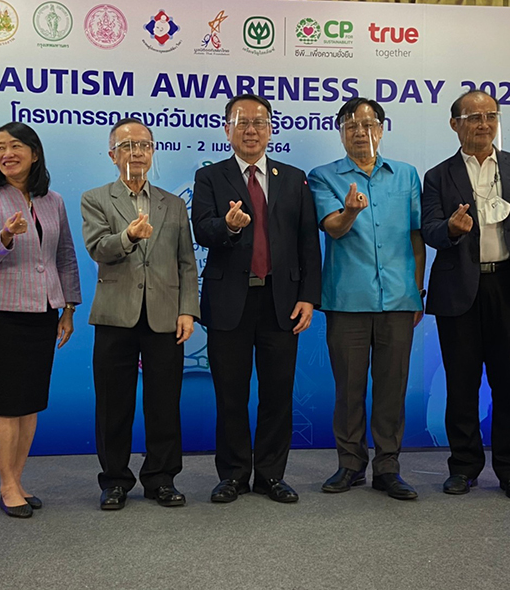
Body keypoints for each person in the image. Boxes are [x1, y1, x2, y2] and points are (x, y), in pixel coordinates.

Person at [421, 90, 510, 501]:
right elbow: (428, 230)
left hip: (508, 287)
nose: (484, 124)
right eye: (473, 117)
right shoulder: (438, 176)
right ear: (454, 124)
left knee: (509, 383)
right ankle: (463, 467)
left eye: (490, 116)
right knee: (461, 385)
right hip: (458, 291)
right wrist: (451, 229)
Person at [192, 94, 321, 504]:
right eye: (242, 122)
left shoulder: (293, 177)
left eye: (259, 122)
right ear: (227, 128)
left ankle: (270, 474)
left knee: (277, 393)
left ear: (270, 129)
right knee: (230, 393)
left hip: (280, 302)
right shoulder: (210, 176)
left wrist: (309, 297)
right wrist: (227, 227)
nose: (251, 130)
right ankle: (232, 474)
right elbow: (201, 230)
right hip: (230, 299)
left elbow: (307, 242)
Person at [308, 97, 425, 501]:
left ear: (382, 128)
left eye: (369, 124)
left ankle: (388, 467)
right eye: (351, 125)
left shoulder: (407, 175)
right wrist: (352, 211)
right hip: (347, 300)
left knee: (393, 387)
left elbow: (416, 236)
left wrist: (417, 291)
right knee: (349, 387)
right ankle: (350, 464)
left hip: (399, 299)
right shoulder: (322, 176)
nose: (361, 131)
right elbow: (333, 229)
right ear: (340, 132)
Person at [81, 118, 199, 510]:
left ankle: (161, 478)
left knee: (164, 403)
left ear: (152, 152)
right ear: (112, 155)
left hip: (166, 316)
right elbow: (98, 248)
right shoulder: (96, 199)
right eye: (127, 146)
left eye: (143, 145)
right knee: (114, 404)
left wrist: (188, 311)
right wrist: (128, 236)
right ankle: (114, 480)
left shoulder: (174, 203)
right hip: (115, 315)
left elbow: (186, 263)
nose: (136, 152)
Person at [0, 122, 81, 518]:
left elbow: (65, 255)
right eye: (0, 147)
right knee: (7, 404)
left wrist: (68, 308)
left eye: (16, 146)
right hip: (2, 313)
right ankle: (6, 484)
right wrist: (6, 236)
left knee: (30, 403)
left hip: (44, 312)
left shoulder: (53, 201)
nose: (7, 153)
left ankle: (17, 479)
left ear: (35, 153)